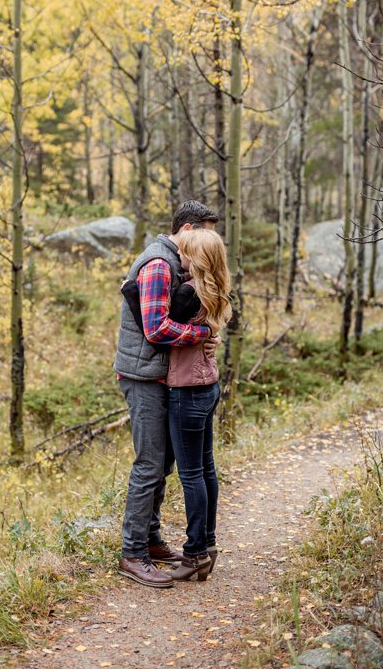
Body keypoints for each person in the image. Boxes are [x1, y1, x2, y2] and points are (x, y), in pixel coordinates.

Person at [113, 200, 221, 589]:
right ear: (189, 230)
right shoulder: (159, 265)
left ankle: (152, 539)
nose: (212, 240)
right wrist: (202, 335)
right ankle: (133, 554)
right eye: (207, 232)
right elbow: (157, 330)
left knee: (164, 464)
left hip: (165, 378)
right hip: (144, 377)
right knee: (149, 463)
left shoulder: (179, 263)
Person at [162, 228, 232, 582]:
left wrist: (130, 289)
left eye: (186, 254)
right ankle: (209, 545)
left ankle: (194, 553)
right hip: (208, 386)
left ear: (198, 260)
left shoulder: (188, 294)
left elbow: (156, 328)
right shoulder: (215, 288)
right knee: (205, 469)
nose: (180, 259)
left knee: (191, 474)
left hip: (187, 390)